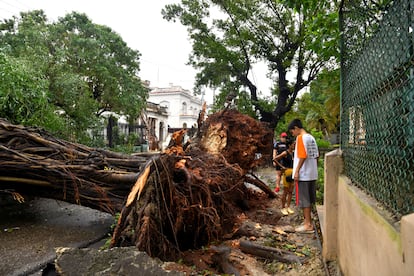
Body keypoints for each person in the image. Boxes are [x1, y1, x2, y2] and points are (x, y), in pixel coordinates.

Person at [288, 119, 319, 233]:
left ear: (296, 128)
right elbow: (316, 155)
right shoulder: (311, 137)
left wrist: (296, 171)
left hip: (304, 174)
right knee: (309, 199)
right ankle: (308, 221)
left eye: (292, 131)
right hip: (312, 173)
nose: (293, 134)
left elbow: (302, 155)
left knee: (304, 200)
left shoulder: (300, 138)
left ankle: (308, 225)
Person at [273, 139, 295, 216]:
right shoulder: (285, 153)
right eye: (293, 144)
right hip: (287, 171)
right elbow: (275, 159)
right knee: (285, 191)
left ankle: (288, 206)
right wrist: (282, 167)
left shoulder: (294, 153)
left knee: (291, 191)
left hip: (293, 171)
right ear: (289, 145)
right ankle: (283, 207)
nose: (294, 145)